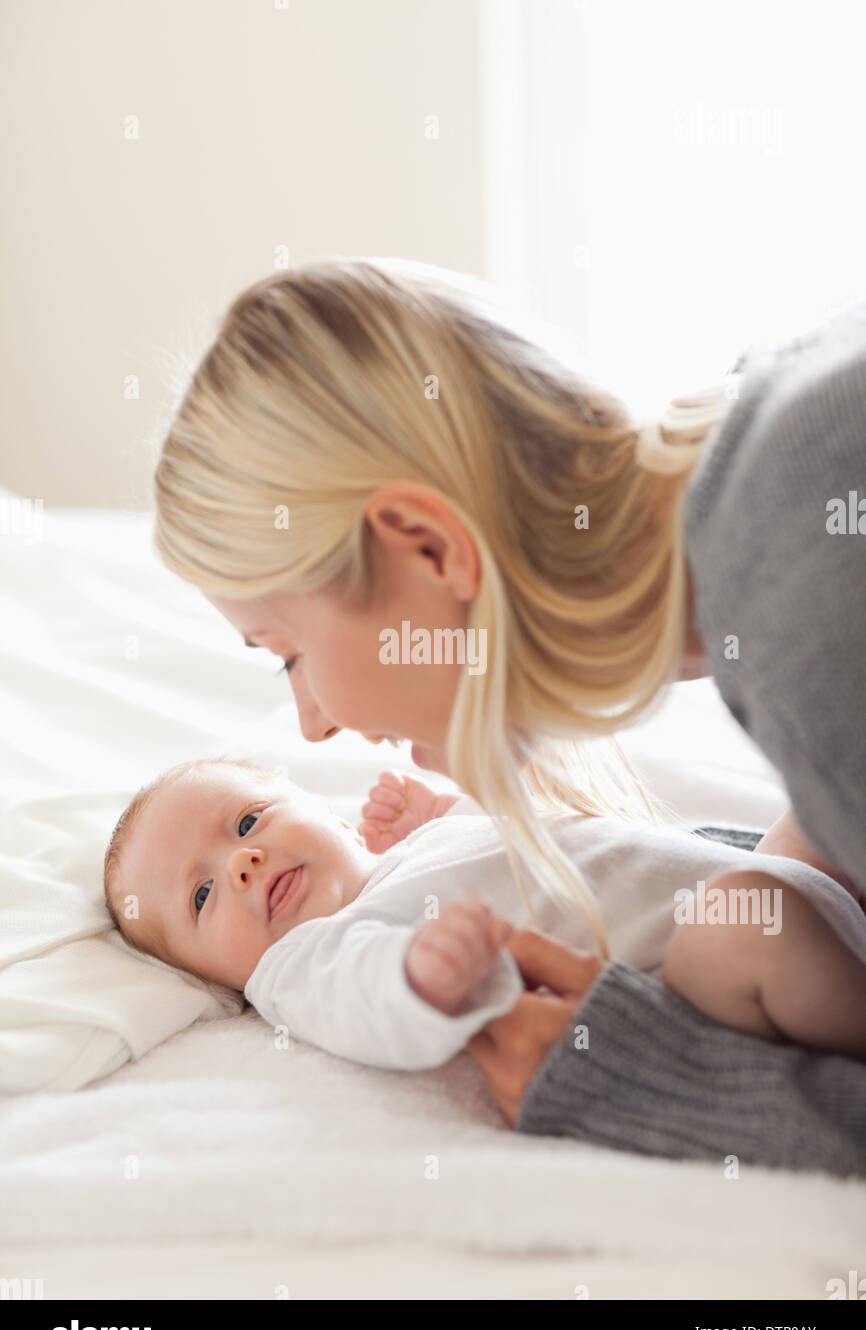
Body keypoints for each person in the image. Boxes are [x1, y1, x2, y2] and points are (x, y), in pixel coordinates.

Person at [150, 256, 866, 1175]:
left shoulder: (812, 611)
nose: (314, 726)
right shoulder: (785, 445)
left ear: (432, 548)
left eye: (289, 654)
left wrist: (652, 1082)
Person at [103, 758, 866, 1070]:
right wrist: (419, 977)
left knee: (821, 797)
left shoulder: (413, 853)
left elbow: (534, 838)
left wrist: (449, 812)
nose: (242, 862)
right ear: (219, 980)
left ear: (326, 814)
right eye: (201, 896)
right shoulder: (300, 963)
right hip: (701, 974)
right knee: (743, 917)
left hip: (778, 872)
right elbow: (359, 1001)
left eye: (248, 823)